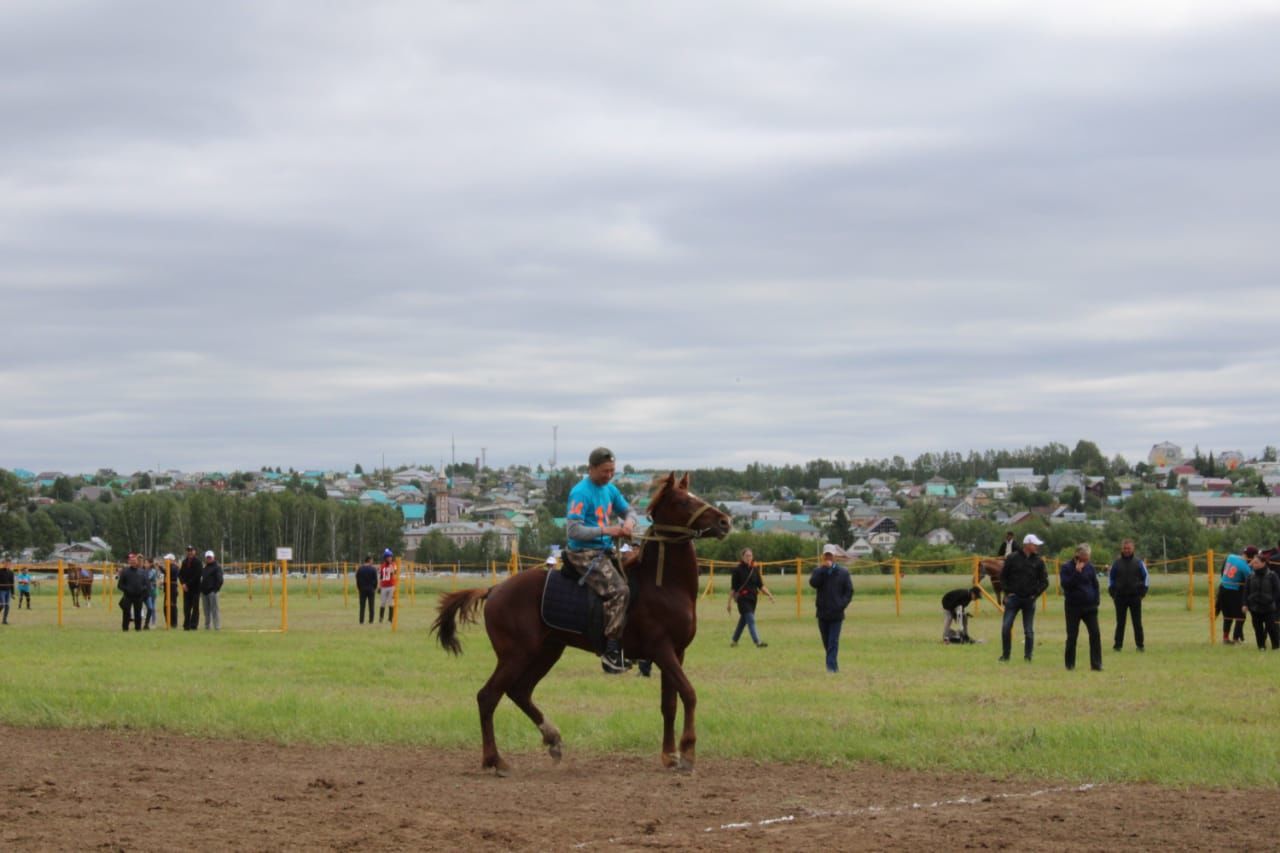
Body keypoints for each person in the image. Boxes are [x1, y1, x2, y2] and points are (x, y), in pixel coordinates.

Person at [564, 447, 636, 673]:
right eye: (605, 471)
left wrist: (629, 524)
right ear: (591, 469)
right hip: (584, 554)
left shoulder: (611, 489)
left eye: (612, 471)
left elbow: (629, 511)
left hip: (606, 551)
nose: (609, 475)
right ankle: (611, 652)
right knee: (620, 591)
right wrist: (608, 530)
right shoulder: (580, 493)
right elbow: (573, 531)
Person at [999, 533, 1049, 662]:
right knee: (1006, 627)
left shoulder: (1039, 561)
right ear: (1027, 545)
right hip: (1013, 599)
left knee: (1028, 630)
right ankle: (1005, 655)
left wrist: (1035, 595)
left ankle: (1028, 656)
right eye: (1035, 544)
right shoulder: (1012, 558)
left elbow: (1044, 582)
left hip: (1029, 600)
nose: (1037, 546)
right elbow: (1003, 577)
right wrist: (1007, 593)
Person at [809, 544, 854, 673]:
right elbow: (813, 583)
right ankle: (834, 666)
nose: (828, 557)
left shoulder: (843, 573)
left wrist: (841, 605)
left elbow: (849, 591)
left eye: (830, 555)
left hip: (836, 614)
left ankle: (831, 669)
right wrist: (823, 570)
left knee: (833, 642)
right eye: (826, 555)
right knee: (827, 643)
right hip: (822, 613)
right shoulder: (818, 571)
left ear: (834, 556)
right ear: (823, 556)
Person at [1060, 543, 1103, 671]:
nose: (1086, 559)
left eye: (1088, 557)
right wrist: (1077, 573)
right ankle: (1070, 665)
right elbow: (1066, 585)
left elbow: (1095, 585)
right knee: (1072, 636)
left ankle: (1096, 664)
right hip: (1073, 607)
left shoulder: (1090, 567)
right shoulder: (1067, 567)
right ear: (1078, 555)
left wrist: (1096, 600)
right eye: (1085, 556)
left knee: (1095, 634)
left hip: (1090, 607)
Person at [727, 548, 774, 648]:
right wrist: (729, 603)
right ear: (742, 557)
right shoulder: (737, 570)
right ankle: (758, 642)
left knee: (743, 621)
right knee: (751, 620)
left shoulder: (755, 570)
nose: (749, 558)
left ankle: (734, 641)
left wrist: (769, 594)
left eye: (750, 556)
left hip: (753, 599)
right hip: (742, 599)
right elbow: (733, 588)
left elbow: (761, 586)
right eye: (747, 556)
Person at [1109, 538, 1148, 652]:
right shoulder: (1116, 563)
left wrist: (1142, 593)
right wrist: (1113, 593)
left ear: (1133, 548)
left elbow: (1146, 578)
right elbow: (1111, 578)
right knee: (1120, 623)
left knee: (1137, 622)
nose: (1126, 550)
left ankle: (1140, 646)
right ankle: (1117, 645)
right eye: (1125, 548)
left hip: (1135, 597)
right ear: (1122, 549)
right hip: (1120, 597)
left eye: (1129, 548)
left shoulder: (1139, 562)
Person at [1217, 547, 1256, 645]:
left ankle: (1225, 638)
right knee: (1241, 616)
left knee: (1227, 615)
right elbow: (1251, 578)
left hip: (1222, 588)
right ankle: (1235, 638)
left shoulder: (1231, 556)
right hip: (1233, 591)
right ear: (1252, 556)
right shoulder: (1245, 567)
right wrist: (1251, 566)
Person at [1242, 553, 1280, 650]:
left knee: (1272, 628)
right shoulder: (1250, 576)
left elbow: (1277, 590)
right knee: (1258, 629)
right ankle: (1261, 647)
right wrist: (1245, 604)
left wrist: (1272, 600)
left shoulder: (1272, 575)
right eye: (1253, 563)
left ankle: (1275, 646)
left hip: (1269, 608)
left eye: (1256, 563)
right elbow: (1246, 591)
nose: (1254, 565)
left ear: (1263, 563)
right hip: (1254, 607)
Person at [117, 553, 148, 632]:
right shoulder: (125, 572)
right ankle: (125, 628)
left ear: (137, 562)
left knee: (138, 613)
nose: (133, 562)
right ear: (129, 562)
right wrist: (127, 589)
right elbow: (120, 585)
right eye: (132, 561)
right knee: (126, 612)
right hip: (128, 596)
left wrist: (142, 590)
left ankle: (138, 628)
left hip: (138, 596)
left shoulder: (142, 572)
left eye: (135, 561)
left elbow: (146, 584)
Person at [178, 545, 202, 630]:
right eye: (188, 550)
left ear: (194, 551)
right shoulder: (184, 562)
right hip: (186, 589)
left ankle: (193, 625)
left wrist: (187, 584)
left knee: (195, 608)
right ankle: (186, 625)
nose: (190, 552)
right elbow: (180, 574)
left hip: (195, 589)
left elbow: (197, 575)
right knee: (186, 608)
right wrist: (183, 584)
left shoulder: (198, 562)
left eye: (191, 550)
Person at [200, 550, 224, 631]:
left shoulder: (217, 567)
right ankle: (207, 626)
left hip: (212, 592)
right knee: (206, 611)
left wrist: (215, 590)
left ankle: (217, 627)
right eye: (207, 557)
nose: (209, 559)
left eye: (210, 557)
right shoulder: (205, 568)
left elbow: (220, 580)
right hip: (204, 592)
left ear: (213, 557)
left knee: (215, 610)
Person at [355, 555, 378, 625]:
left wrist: (359, 588)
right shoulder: (373, 569)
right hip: (371, 589)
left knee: (362, 606)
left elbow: (357, 579)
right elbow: (376, 580)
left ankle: (361, 621)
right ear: (369, 560)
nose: (372, 562)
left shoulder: (360, 569)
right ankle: (371, 620)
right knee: (371, 606)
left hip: (362, 589)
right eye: (372, 560)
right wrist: (374, 588)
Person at [377, 548, 397, 625]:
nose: (390, 558)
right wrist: (379, 586)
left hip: (391, 586)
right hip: (384, 586)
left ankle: (390, 619)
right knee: (382, 603)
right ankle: (381, 618)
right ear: (385, 558)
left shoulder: (393, 564)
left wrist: (391, 566)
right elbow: (381, 577)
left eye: (391, 557)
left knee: (391, 603)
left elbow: (394, 572)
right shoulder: (382, 566)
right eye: (388, 557)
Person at [142, 557, 159, 629]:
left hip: (152, 591)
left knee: (152, 607)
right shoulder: (144, 570)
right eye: (144, 563)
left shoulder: (153, 571)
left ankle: (153, 622)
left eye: (146, 563)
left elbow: (147, 578)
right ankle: (148, 622)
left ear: (150, 563)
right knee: (149, 607)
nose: (145, 564)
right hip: (146, 591)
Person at [0, 559, 14, 625]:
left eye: (9, 564)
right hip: (1, 591)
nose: (7, 565)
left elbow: (12, 583)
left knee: (7, 606)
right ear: (3, 564)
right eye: (6, 563)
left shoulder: (11, 572)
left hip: (8, 591)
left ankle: (4, 620)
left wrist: (13, 593)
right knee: (2, 605)